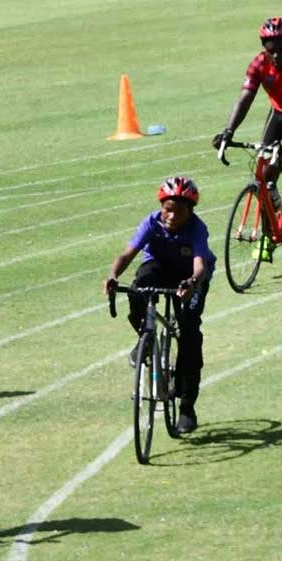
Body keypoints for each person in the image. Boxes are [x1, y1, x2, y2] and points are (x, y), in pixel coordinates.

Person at [102, 176, 214, 435]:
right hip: (160, 269)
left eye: (179, 211)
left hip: (190, 277)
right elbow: (127, 254)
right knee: (138, 285)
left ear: (191, 211)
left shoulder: (197, 229)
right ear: (161, 207)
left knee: (189, 335)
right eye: (168, 209)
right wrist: (112, 276)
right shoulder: (152, 222)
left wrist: (192, 283)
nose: (172, 216)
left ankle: (187, 407)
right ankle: (146, 337)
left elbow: (199, 264)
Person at [212, 16, 282, 261]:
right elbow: (245, 99)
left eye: (280, 51)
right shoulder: (258, 64)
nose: (275, 56)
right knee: (264, 175)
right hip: (279, 113)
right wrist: (228, 132)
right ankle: (267, 235)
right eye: (270, 51)